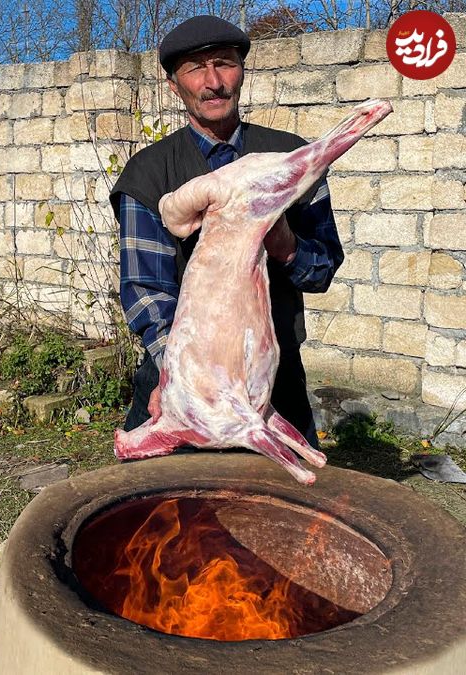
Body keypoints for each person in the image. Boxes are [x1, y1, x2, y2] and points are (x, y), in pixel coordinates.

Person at [110, 15, 343, 448]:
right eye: (195, 69)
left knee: (280, 510)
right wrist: (181, 378)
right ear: (173, 85)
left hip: (272, 383)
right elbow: (146, 290)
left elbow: (323, 269)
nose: (213, 81)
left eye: (224, 63)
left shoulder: (291, 159)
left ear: (242, 70)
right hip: (176, 384)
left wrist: (284, 244)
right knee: (171, 510)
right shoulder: (148, 174)